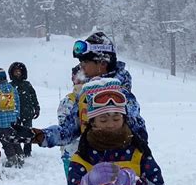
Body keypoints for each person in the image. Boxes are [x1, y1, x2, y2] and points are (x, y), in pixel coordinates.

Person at [9, 31, 147, 150]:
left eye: (85, 62)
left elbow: (139, 133)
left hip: (123, 169)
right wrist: (39, 136)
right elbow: (69, 131)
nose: (81, 67)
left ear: (102, 63)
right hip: (93, 168)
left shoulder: (121, 95)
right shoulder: (86, 95)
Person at [58, 65, 86, 185]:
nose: (81, 83)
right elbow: (65, 129)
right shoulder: (68, 101)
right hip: (73, 156)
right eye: (79, 79)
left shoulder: (94, 97)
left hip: (91, 155)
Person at [0, 66, 22, 168]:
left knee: (6, 141)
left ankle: (11, 159)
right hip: (13, 121)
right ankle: (20, 156)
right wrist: (17, 116)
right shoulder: (12, 89)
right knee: (15, 139)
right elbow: (17, 104)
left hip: (1, 122)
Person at [8, 62, 40, 157]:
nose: (17, 73)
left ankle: (27, 151)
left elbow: (34, 97)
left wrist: (37, 108)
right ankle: (17, 151)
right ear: (12, 73)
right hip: (15, 114)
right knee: (15, 133)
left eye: (19, 71)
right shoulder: (10, 86)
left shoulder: (27, 84)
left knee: (28, 132)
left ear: (23, 73)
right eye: (15, 71)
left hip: (27, 113)